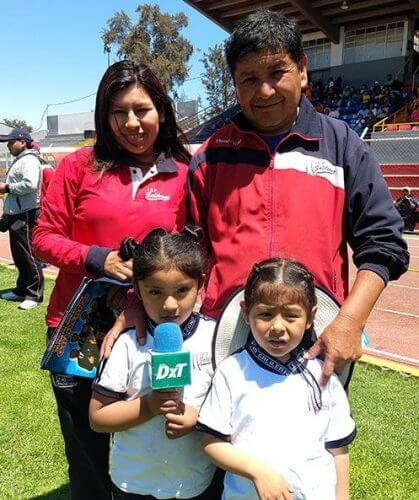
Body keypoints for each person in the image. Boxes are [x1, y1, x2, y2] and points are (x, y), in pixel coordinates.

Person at [106, 10, 409, 387]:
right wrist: (136, 302)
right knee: (222, 443)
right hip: (226, 336)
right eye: (249, 78)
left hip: (314, 337)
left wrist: (350, 321)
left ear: (301, 69)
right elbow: (179, 251)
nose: (263, 91)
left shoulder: (343, 146)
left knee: (311, 446)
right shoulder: (212, 156)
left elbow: (383, 245)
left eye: (276, 73)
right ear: (234, 83)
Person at [33, 60, 191, 500]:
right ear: (104, 116)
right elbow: (44, 237)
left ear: (162, 108)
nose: (131, 123)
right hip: (78, 329)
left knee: (153, 444)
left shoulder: (184, 171)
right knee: (87, 454)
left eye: (142, 109)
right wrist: (97, 259)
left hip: (154, 332)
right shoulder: (79, 166)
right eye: (118, 112)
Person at [198, 258, 356, 500]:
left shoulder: (323, 376)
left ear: (310, 317)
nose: (277, 327)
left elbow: (338, 449)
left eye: (291, 316)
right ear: (245, 312)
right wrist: (258, 472)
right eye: (265, 314)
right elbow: (211, 442)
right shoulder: (232, 372)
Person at [90, 227, 218, 499]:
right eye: (155, 292)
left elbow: (231, 406)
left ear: (201, 285)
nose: (169, 305)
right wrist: (148, 406)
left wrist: (200, 418)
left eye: (182, 290)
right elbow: (98, 418)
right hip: (134, 483)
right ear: (137, 289)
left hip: (194, 484)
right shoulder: (127, 344)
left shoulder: (215, 339)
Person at [0, 128, 44, 309]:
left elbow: (30, 184)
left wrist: (6, 187)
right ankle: (21, 290)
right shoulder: (22, 159)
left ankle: (34, 295)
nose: (8, 145)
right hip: (16, 213)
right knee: (19, 255)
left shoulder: (29, 160)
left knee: (28, 255)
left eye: (11, 142)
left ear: (23, 142)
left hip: (26, 213)